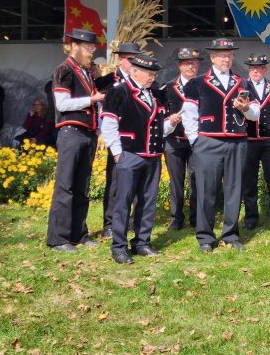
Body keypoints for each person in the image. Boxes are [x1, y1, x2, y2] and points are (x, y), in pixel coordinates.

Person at [182, 38, 260, 253]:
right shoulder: (197, 83)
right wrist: (195, 141)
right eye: (222, 55)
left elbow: (255, 115)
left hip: (237, 142)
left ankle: (231, 235)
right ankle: (205, 236)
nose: (226, 58)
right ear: (212, 58)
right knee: (206, 190)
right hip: (209, 141)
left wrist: (245, 108)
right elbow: (188, 114)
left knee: (234, 189)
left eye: (229, 55)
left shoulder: (243, 83)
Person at [101, 54, 181, 264]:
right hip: (130, 155)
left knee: (147, 202)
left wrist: (171, 123)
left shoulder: (156, 94)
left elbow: (160, 128)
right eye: (148, 73)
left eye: (154, 73)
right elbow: (109, 125)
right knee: (123, 202)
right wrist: (118, 154)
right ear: (134, 71)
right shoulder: (118, 92)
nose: (152, 77)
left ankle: (142, 242)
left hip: (152, 155)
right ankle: (119, 246)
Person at [46, 29, 106, 253]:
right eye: (89, 47)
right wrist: (91, 99)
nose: (92, 51)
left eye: (92, 48)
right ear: (75, 46)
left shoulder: (88, 72)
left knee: (82, 185)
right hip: (71, 132)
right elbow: (62, 104)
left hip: (87, 133)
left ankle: (78, 233)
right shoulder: (64, 70)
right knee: (66, 185)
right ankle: (58, 238)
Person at [101, 42, 143, 238]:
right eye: (129, 58)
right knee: (115, 182)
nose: (132, 62)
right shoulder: (108, 81)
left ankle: (133, 221)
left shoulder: (141, 80)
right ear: (121, 59)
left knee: (136, 182)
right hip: (118, 137)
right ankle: (110, 223)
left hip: (137, 139)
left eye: (135, 58)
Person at [160, 47, 203, 231]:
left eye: (193, 63)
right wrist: (170, 122)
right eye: (186, 63)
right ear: (179, 66)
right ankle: (176, 218)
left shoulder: (204, 86)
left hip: (197, 142)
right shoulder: (168, 88)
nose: (190, 67)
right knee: (176, 181)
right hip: (174, 140)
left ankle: (195, 218)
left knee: (196, 180)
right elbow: (159, 117)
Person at [241, 53, 270, 230]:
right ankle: (251, 217)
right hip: (248, 140)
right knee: (249, 180)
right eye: (252, 68)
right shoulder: (242, 88)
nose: (255, 71)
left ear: (265, 69)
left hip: (268, 141)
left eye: (259, 68)